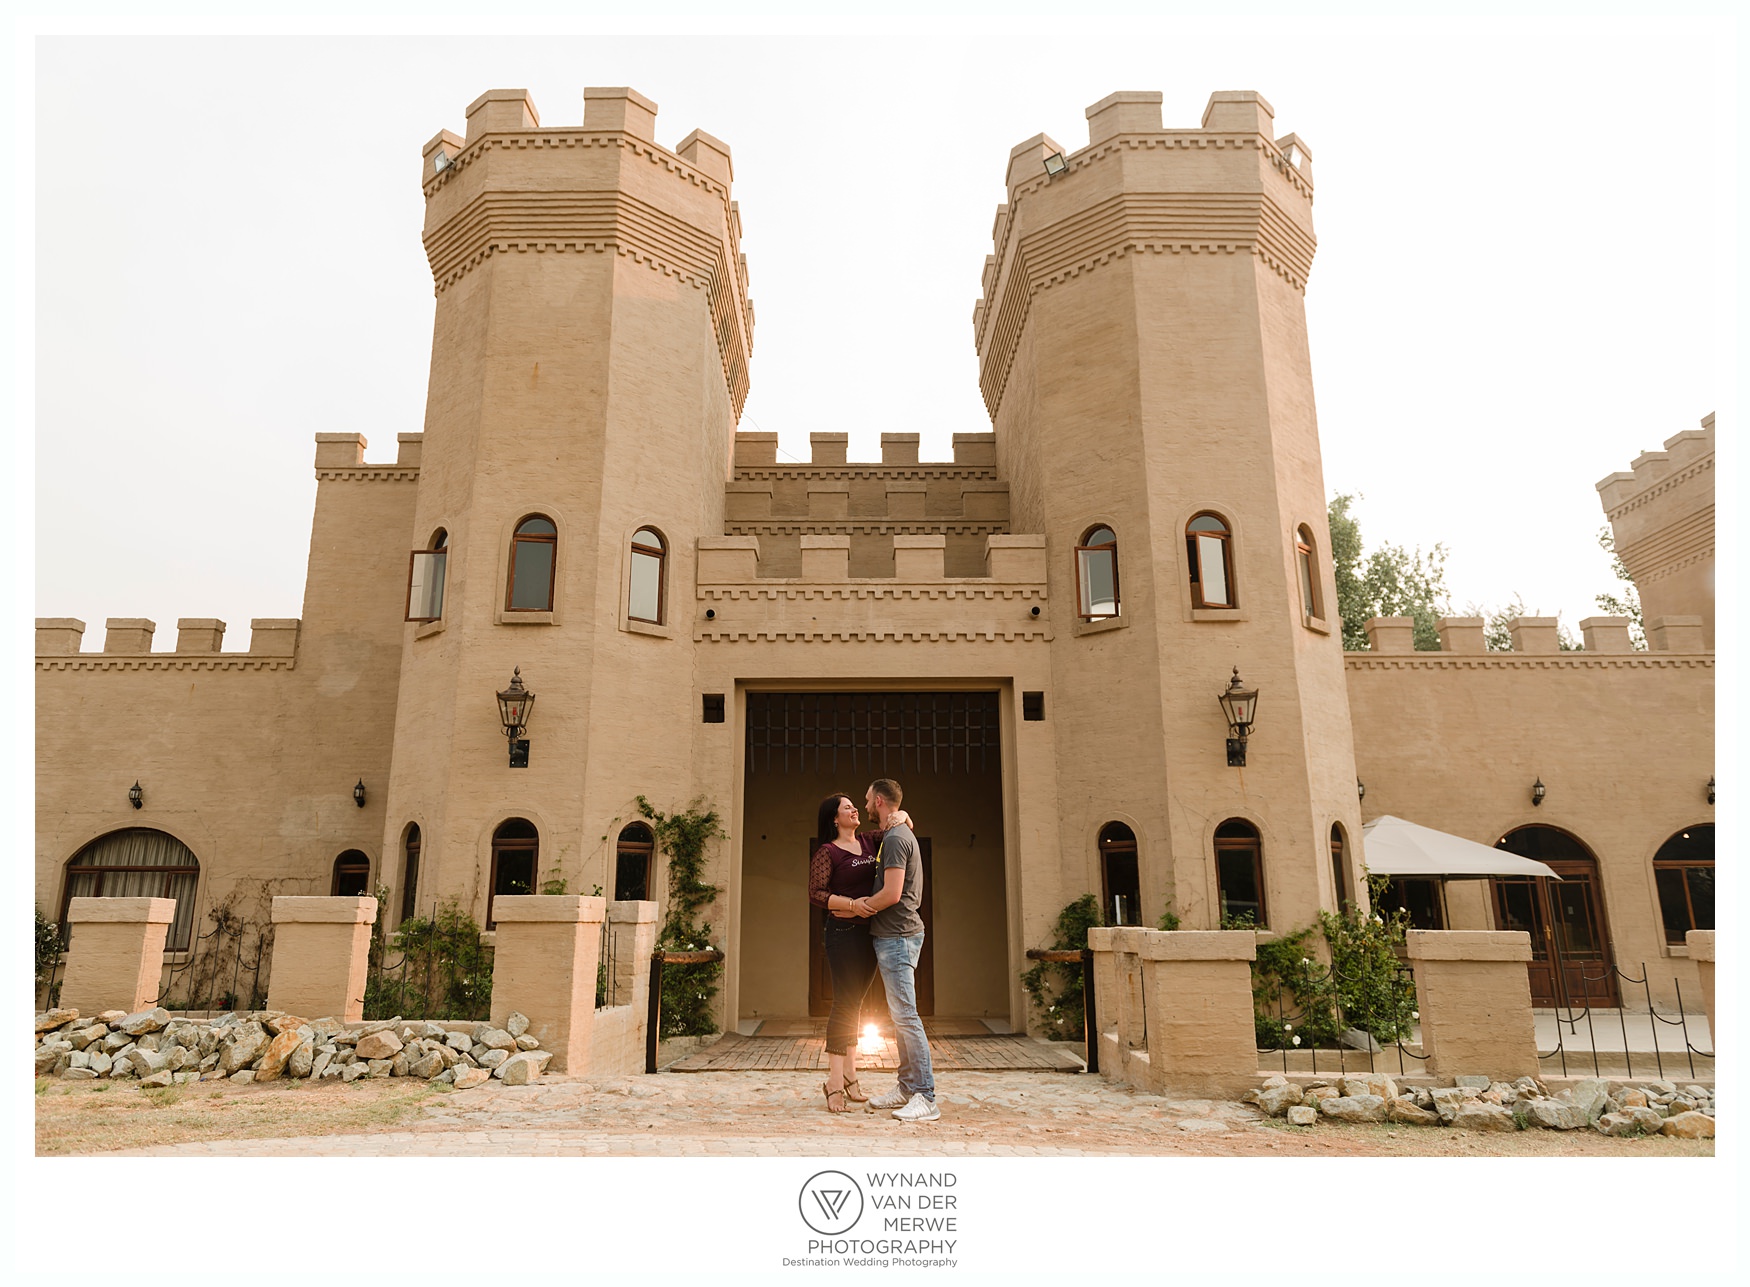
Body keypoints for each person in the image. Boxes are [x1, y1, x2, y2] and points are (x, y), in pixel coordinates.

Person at [807, 791, 912, 1114]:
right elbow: (816, 894)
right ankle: (834, 1083)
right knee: (843, 1003)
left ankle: (851, 1077)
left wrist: (902, 813)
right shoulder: (828, 852)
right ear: (834, 819)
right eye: (846, 808)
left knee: (855, 1004)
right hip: (842, 933)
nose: (854, 809)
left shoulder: (870, 841)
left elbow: (904, 824)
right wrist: (852, 905)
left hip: (870, 933)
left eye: (855, 805)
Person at [852, 777, 938, 1123]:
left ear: (881, 802)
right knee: (900, 1017)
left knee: (906, 1017)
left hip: (898, 937)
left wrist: (859, 906)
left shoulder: (897, 838)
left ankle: (926, 1096)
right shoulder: (896, 833)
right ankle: (906, 1087)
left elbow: (891, 893)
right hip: (893, 936)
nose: (866, 805)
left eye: (868, 799)